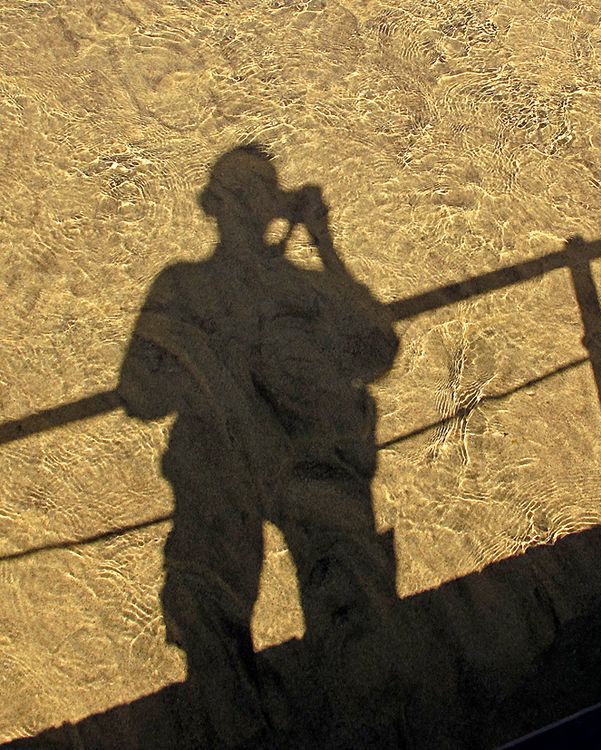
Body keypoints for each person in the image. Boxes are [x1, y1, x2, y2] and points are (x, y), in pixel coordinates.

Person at [117, 144, 400, 747]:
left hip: (306, 463)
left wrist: (324, 243)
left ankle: (362, 726)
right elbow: (138, 392)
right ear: (218, 209)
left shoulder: (300, 287)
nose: (246, 212)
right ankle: (249, 734)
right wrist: (207, 375)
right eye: (238, 198)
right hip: (223, 465)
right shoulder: (186, 288)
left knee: (348, 588)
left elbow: (377, 346)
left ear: (271, 209)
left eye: (256, 198)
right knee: (206, 598)